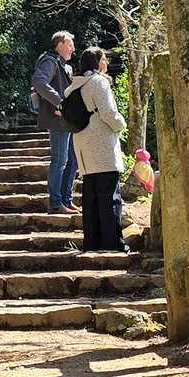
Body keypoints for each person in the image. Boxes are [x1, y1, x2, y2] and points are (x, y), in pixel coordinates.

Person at [63, 46, 128, 257]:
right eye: (104, 59)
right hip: (101, 144)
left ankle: (92, 243)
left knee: (91, 197)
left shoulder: (72, 87)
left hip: (83, 145)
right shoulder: (98, 82)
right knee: (109, 195)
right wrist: (121, 124)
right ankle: (112, 243)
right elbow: (109, 113)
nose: (106, 63)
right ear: (97, 62)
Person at [31, 29, 78, 213]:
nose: (73, 49)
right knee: (60, 161)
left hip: (68, 120)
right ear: (60, 45)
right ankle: (56, 203)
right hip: (58, 120)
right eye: (70, 45)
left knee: (72, 160)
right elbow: (38, 81)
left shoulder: (64, 65)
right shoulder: (50, 61)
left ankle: (66, 199)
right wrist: (59, 102)